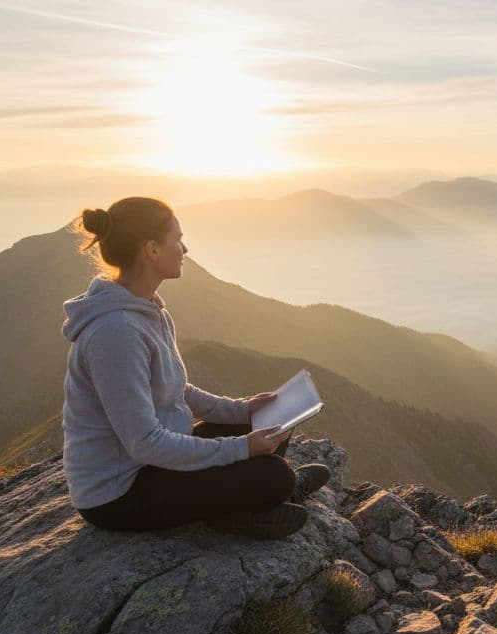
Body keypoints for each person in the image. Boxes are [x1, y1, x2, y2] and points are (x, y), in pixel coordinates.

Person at [61, 196, 329, 539]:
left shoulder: (149, 310)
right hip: (118, 492)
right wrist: (243, 449)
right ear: (152, 250)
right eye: (177, 240)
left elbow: (176, 389)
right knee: (273, 476)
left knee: (268, 424)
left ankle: (253, 497)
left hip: (149, 465)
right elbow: (144, 443)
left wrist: (243, 409)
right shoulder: (115, 333)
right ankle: (244, 507)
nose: (184, 249)